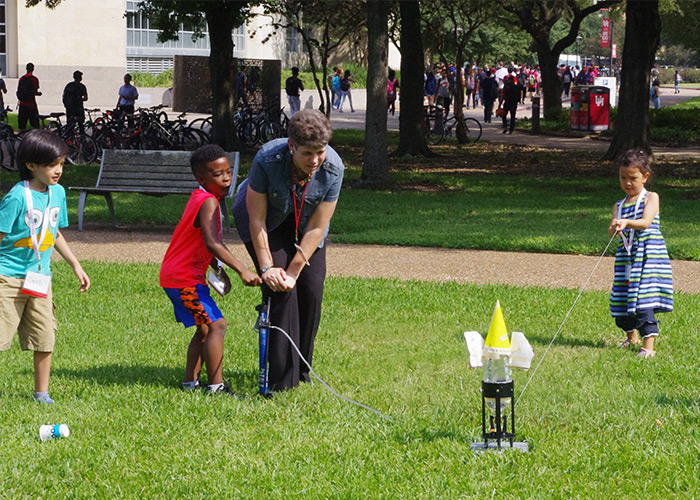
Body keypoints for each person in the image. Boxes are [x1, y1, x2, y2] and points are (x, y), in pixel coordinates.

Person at [232, 109, 345, 393]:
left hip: (307, 224)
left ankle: (303, 371)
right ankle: (282, 380)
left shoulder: (334, 168)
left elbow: (318, 227)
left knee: (311, 290)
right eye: (308, 153)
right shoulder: (268, 158)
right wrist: (268, 268)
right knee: (281, 290)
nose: (316, 160)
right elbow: (257, 218)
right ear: (291, 146)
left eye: (320, 151)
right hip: (265, 222)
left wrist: (295, 271)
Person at [160, 145, 262, 395]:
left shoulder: (202, 197)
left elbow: (199, 241)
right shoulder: (207, 202)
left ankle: (190, 383)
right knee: (216, 326)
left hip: (181, 276)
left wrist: (216, 268)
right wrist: (242, 270)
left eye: (229, 171)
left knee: (205, 328)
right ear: (201, 179)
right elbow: (213, 242)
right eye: (218, 174)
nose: (227, 178)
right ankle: (215, 387)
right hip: (183, 279)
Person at [0, 129, 90, 404]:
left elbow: (55, 233)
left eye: (61, 163)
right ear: (31, 166)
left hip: (40, 279)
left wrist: (75, 264)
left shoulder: (58, 193)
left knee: (45, 337)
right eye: (52, 165)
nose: (58, 170)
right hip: (8, 279)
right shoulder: (16, 197)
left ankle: (42, 394)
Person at [607, 150, 673, 359]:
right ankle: (631, 337)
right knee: (623, 297)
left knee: (644, 299)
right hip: (627, 258)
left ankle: (649, 347)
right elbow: (611, 230)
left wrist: (627, 223)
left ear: (645, 177)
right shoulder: (618, 205)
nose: (627, 183)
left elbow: (645, 222)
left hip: (648, 257)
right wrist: (615, 226)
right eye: (623, 178)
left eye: (633, 178)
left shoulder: (651, 198)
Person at [17, 62, 42, 130]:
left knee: (22, 126)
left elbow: (19, 90)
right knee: (35, 125)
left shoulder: (21, 79)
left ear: (26, 68)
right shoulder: (34, 79)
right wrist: (38, 93)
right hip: (31, 105)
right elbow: (35, 91)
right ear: (33, 69)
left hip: (22, 104)